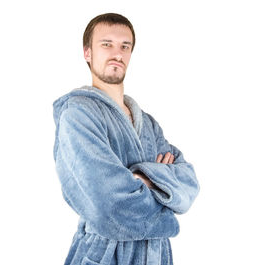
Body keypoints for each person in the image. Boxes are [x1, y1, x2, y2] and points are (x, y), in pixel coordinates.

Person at [52, 13, 200, 265]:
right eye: (106, 44)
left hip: (156, 255)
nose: (117, 53)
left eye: (125, 46)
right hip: (105, 254)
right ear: (87, 53)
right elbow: (107, 203)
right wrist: (162, 187)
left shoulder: (149, 124)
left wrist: (142, 178)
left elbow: (188, 185)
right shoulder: (78, 114)